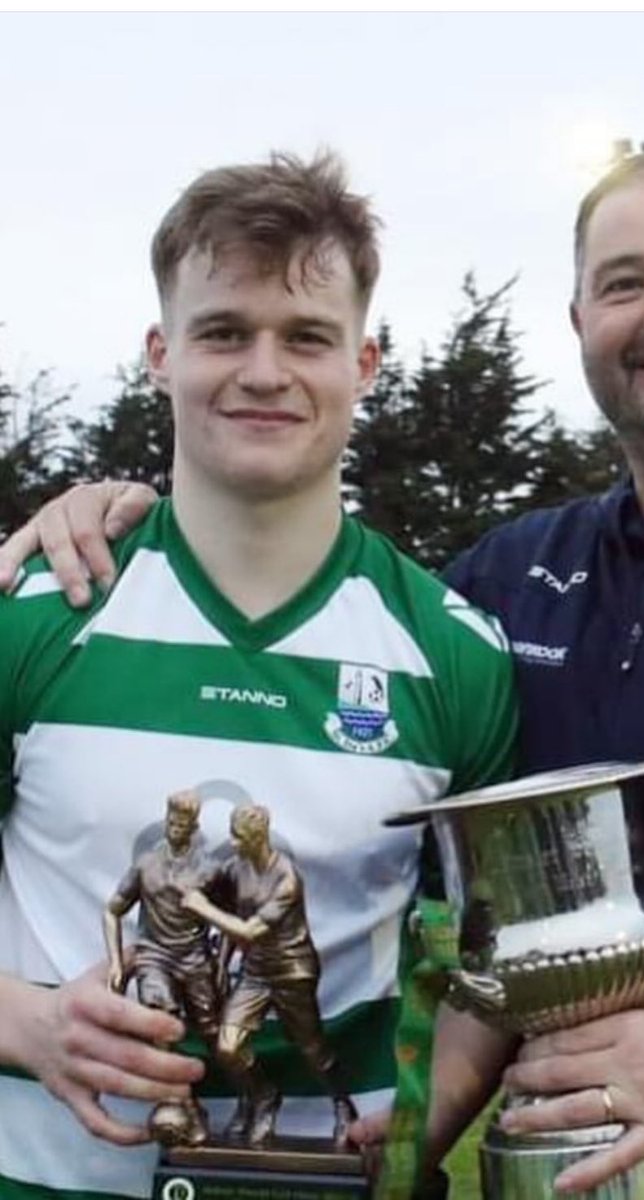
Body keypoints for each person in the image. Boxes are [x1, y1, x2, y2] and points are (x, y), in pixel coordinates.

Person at [8, 147, 644, 1200]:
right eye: (625, 282)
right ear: (580, 320)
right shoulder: (513, 591)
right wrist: (422, 1123)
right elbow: (477, 936)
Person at [0, 151, 515, 1200]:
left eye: (308, 337)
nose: (265, 371)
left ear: (365, 363)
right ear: (160, 352)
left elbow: (501, 957)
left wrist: (429, 1113)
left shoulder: (455, 651)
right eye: (225, 331)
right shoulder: (34, 617)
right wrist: (33, 1025)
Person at [180, 802, 356, 1148]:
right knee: (228, 1047)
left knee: (311, 1047)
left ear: (259, 837)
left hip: (292, 969)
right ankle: (263, 1096)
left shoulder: (286, 879)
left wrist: (202, 907)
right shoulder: (235, 867)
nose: (232, 843)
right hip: (255, 972)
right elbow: (206, 890)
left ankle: (342, 1103)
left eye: (239, 836)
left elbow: (249, 929)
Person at [104, 789, 225, 1148]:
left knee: (211, 1030)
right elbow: (113, 910)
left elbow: (233, 917)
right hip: (154, 955)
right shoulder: (146, 865)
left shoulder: (210, 869)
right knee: (162, 1024)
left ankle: (245, 1100)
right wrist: (115, 960)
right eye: (170, 822)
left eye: (182, 824)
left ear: (194, 827)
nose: (174, 828)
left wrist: (220, 960)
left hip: (194, 956)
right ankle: (179, 1104)